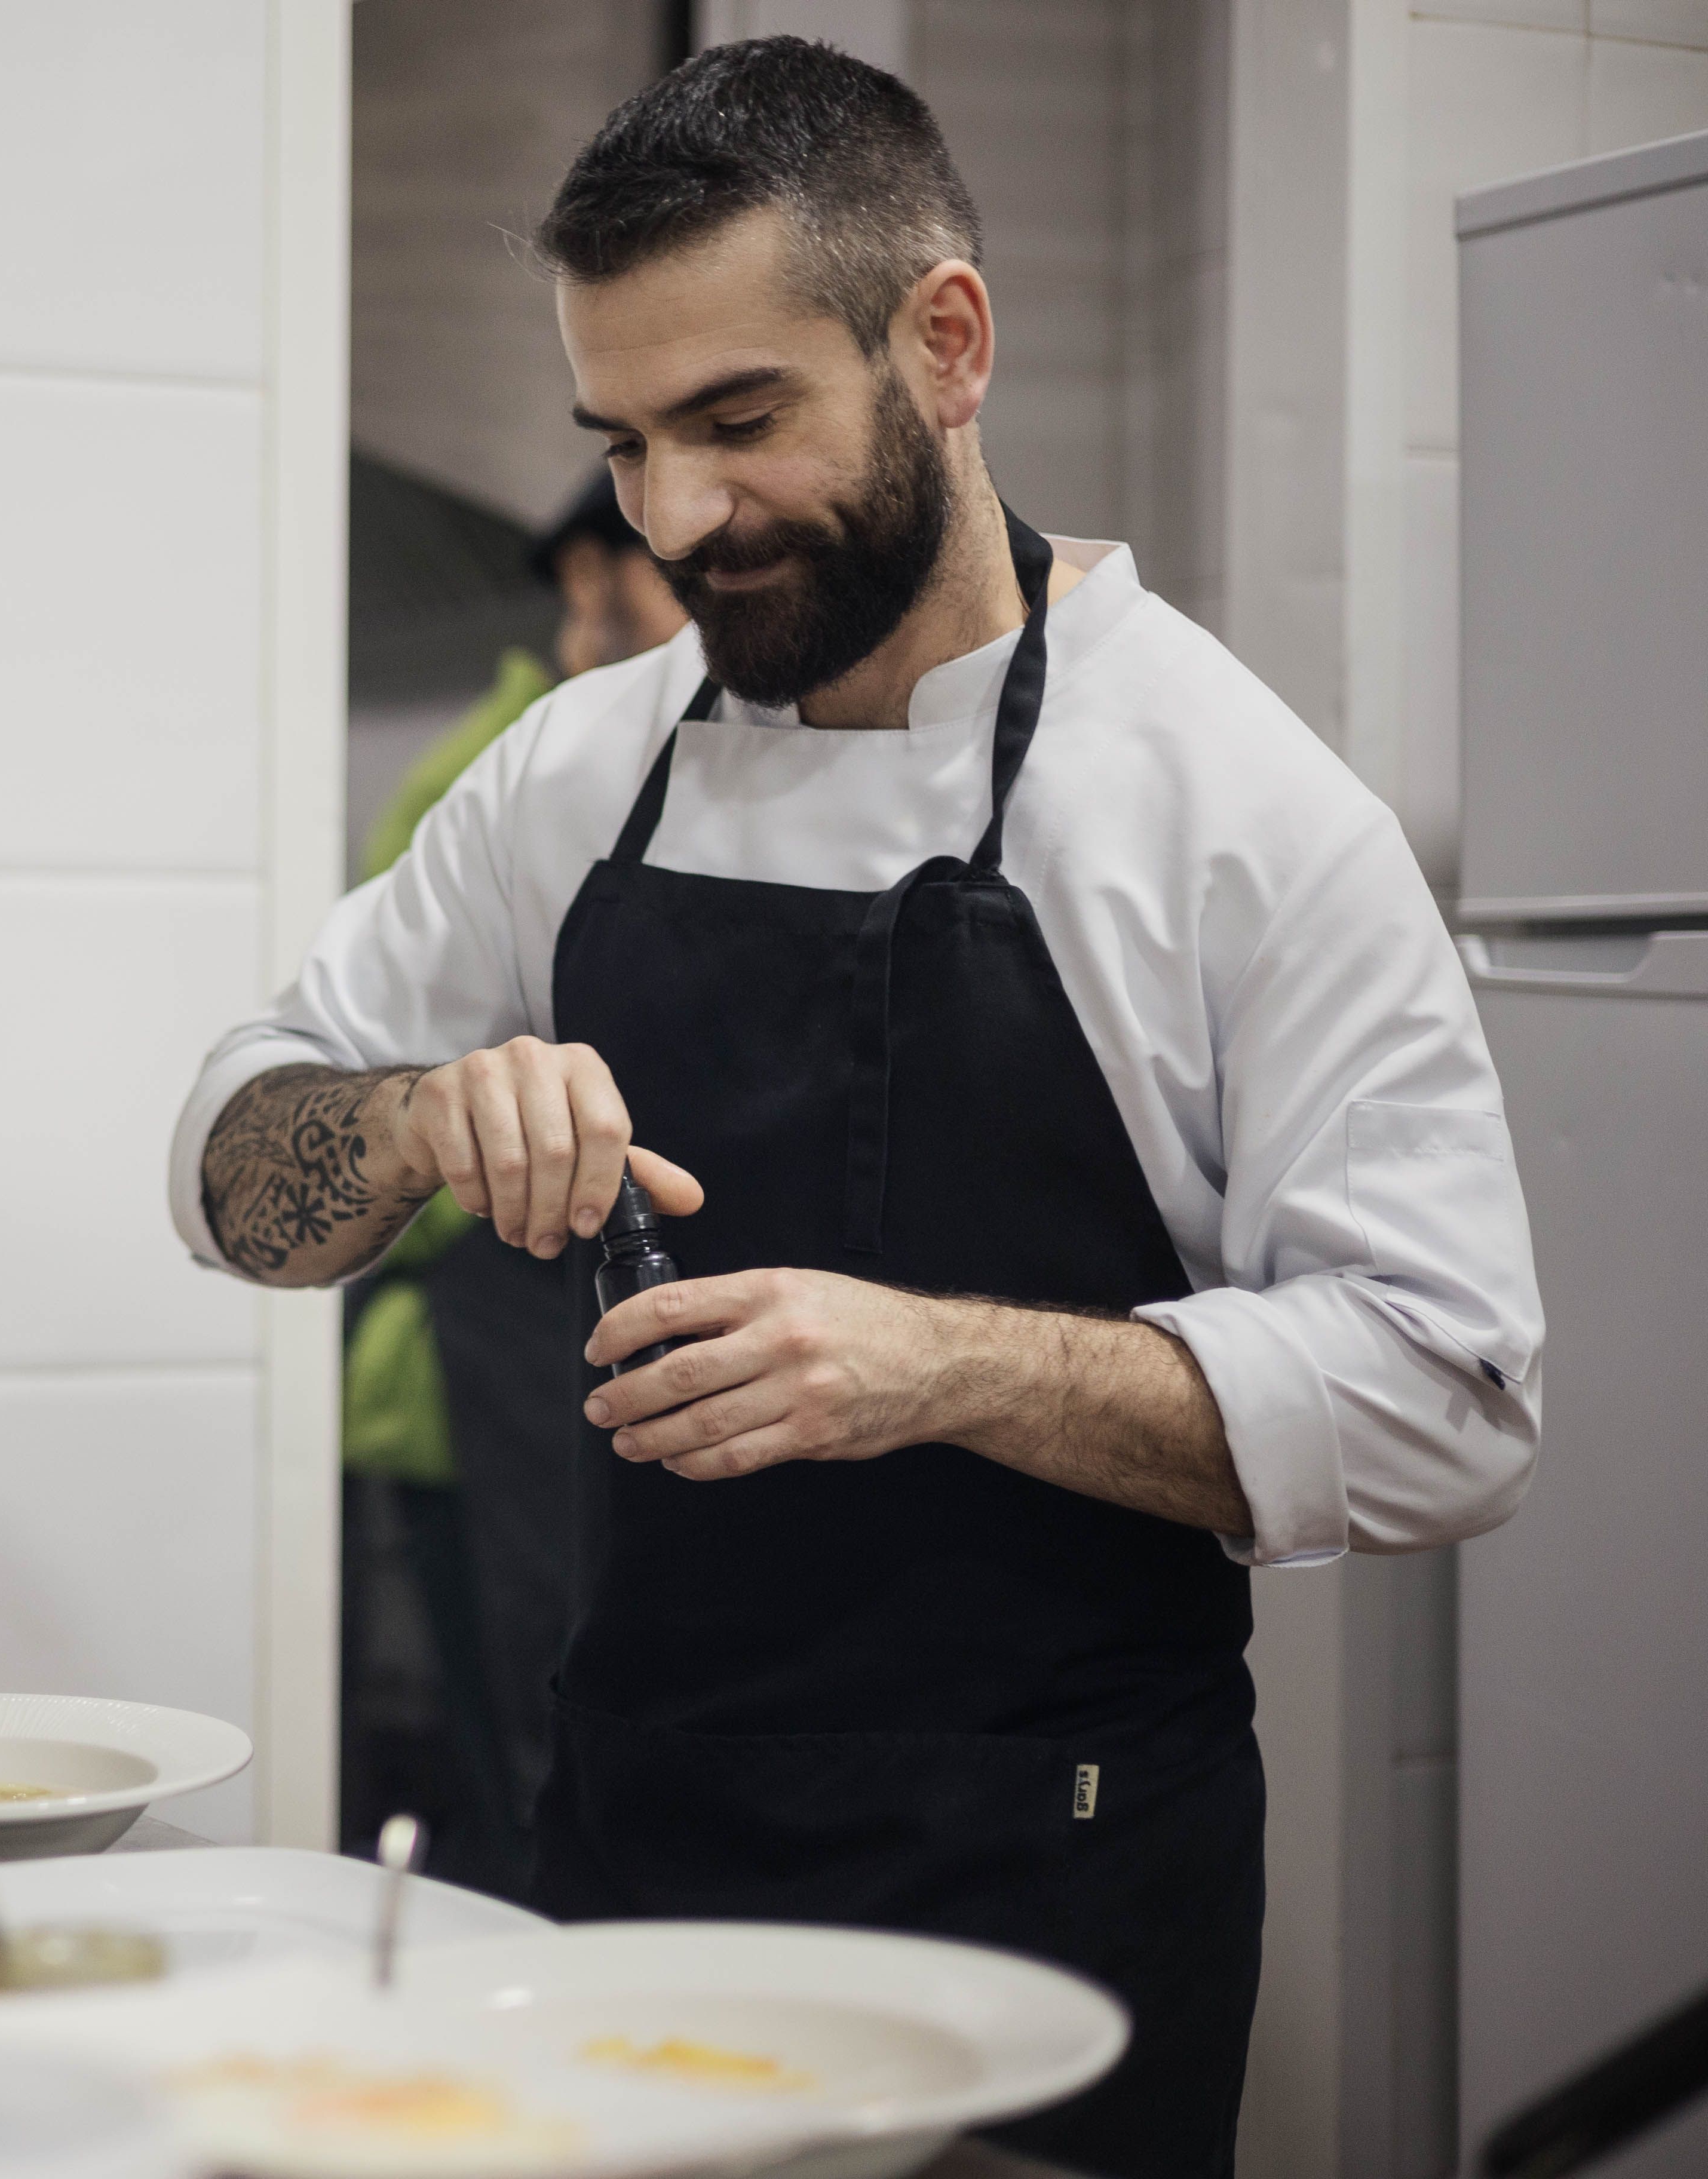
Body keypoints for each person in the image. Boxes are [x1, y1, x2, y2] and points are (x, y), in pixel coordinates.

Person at [170, 41, 1540, 2179]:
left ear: (947, 341)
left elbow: (1455, 1390)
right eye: (624, 444)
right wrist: (428, 1114)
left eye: (738, 421)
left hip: (1055, 1889)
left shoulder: (1235, 807)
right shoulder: (579, 770)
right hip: (636, 1855)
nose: (678, 516)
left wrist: (938, 1362)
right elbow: (230, 1177)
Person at [339, 473, 685, 1897]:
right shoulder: (507, 769)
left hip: (588, 1349)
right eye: (670, 570)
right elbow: (374, 1092)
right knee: (529, 1772)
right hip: (482, 1363)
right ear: (590, 584)